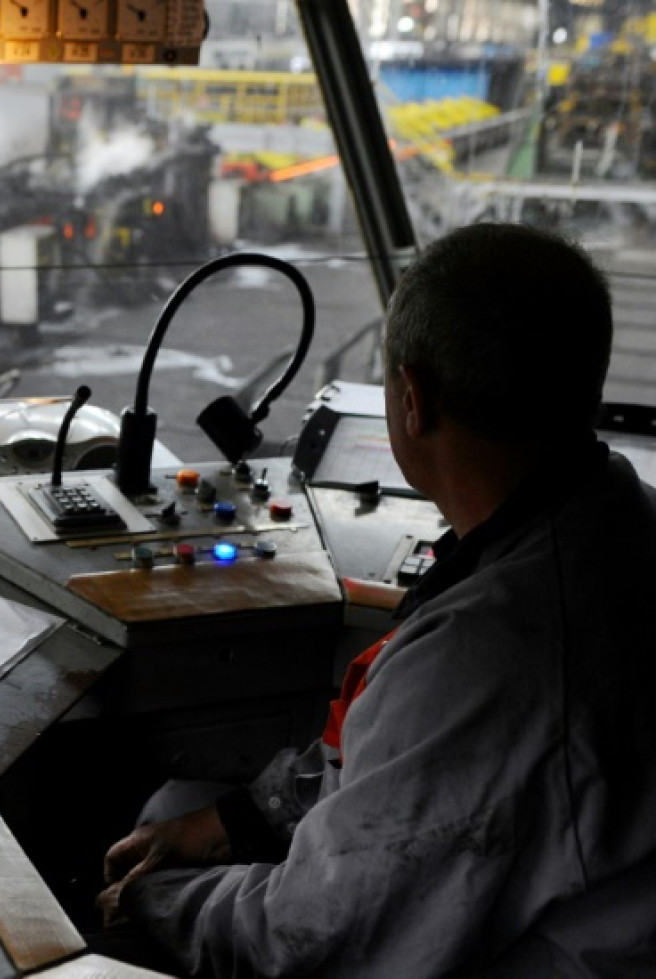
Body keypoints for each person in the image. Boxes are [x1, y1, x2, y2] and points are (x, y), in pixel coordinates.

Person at [95, 222, 656, 976]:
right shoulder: (610, 521)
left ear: (412, 400)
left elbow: (315, 939)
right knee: (177, 806)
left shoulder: (488, 656)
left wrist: (152, 903)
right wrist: (235, 821)